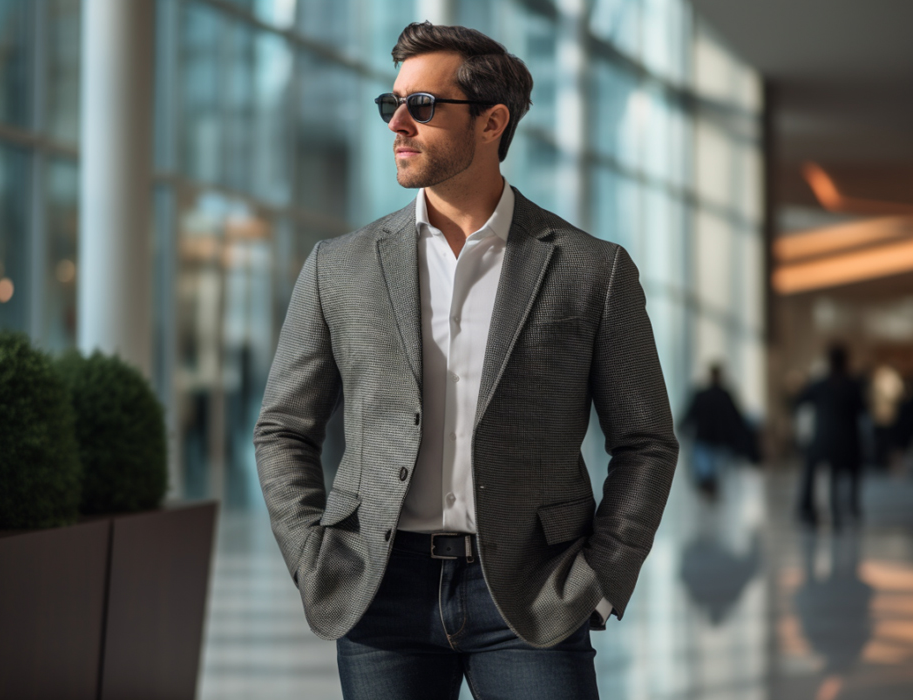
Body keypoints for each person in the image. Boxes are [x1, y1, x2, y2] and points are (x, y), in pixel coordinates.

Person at [254, 22, 678, 700]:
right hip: (379, 594)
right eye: (389, 103)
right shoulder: (340, 267)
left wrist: (601, 580)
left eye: (422, 106)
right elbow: (283, 427)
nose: (397, 122)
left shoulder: (591, 271)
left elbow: (646, 442)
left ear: (492, 122)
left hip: (535, 593)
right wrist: (313, 559)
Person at [794, 344, 865, 527]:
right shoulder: (853, 384)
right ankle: (852, 507)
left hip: (824, 441)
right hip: (849, 442)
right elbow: (862, 410)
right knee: (852, 468)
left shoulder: (820, 384)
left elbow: (799, 401)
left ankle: (807, 509)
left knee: (811, 466)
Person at [679, 363, 751, 496]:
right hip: (719, 438)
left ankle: (708, 484)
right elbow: (736, 417)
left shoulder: (703, 394)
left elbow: (690, 414)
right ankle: (710, 484)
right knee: (714, 466)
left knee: (707, 466)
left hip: (705, 437)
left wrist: (682, 427)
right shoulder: (724, 395)